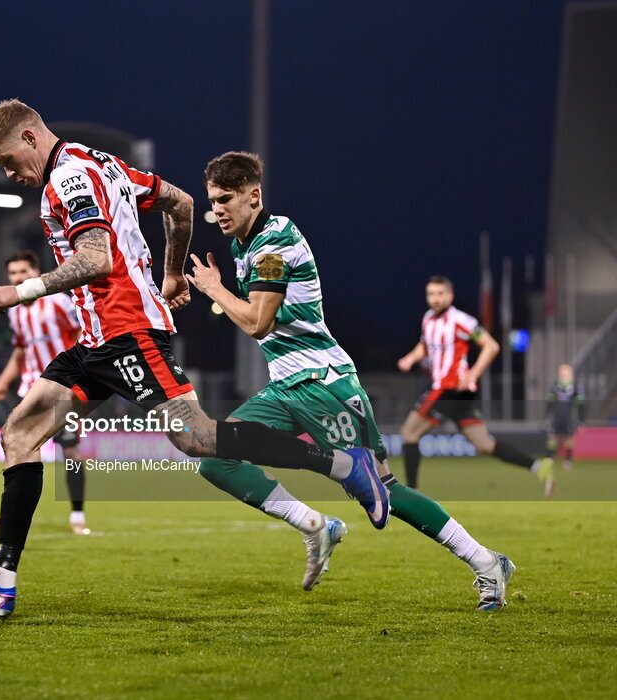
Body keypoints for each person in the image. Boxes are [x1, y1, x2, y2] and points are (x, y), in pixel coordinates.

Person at [0, 99, 388, 619]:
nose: (10, 173)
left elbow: (97, 257)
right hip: (94, 338)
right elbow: (182, 203)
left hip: (126, 331)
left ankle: (343, 465)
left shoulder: (70, 178)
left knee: (197, 438)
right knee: (19, 433)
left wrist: (24, 290)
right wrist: (171, 274)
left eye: (9, 160)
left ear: (31, 138)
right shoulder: (100, 162)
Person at [187, 151, 514, 610]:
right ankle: (316, 525)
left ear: (253, 195)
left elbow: (259, 322)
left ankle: (486, 562)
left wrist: (214, 289)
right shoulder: (244, 248)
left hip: (323, 382)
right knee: (213, 455)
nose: (217, 209)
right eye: (212, 200)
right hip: (285, 387)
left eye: (226, 199)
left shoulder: (273, 243)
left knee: (384, 490)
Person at [397, 276, 556, 495]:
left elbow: (491, 346)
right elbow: (425, 345)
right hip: (458, 394)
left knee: (409, 434)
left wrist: (473, 373)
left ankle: (411, 494)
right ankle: (539, 467)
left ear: (450, 296)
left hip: (449, 389)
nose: (435, 299)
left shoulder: (460, 320)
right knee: (484, 445)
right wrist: (410, 358)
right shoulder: (428, 319)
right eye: (431, 294)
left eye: (440, 294)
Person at [0, 250, 90, 535]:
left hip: (62, 386)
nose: (18, 278)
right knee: (17, 446)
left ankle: (77, 515)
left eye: (23, 272)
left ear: (35, 272)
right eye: (13, 274)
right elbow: (20, 350)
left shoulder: (57, 302)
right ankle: (9, 516)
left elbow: (84, 333)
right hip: (31, 386)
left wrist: (78, 372)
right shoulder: (16, 311)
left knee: (70, 451)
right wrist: (2, 383)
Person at [545, 363, 585, 471]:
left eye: (566, 373)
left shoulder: (576, 385)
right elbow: (550, 401)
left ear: (571, 374)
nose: (564, 375)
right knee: (552, 438)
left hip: (569, 416)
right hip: (557, 416)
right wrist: (548, 415)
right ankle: (549, 459)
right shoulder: (555, 385)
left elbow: (581, 402)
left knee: (569, 439)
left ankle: (568, 460)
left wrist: (581, 419)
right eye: (562, 373)